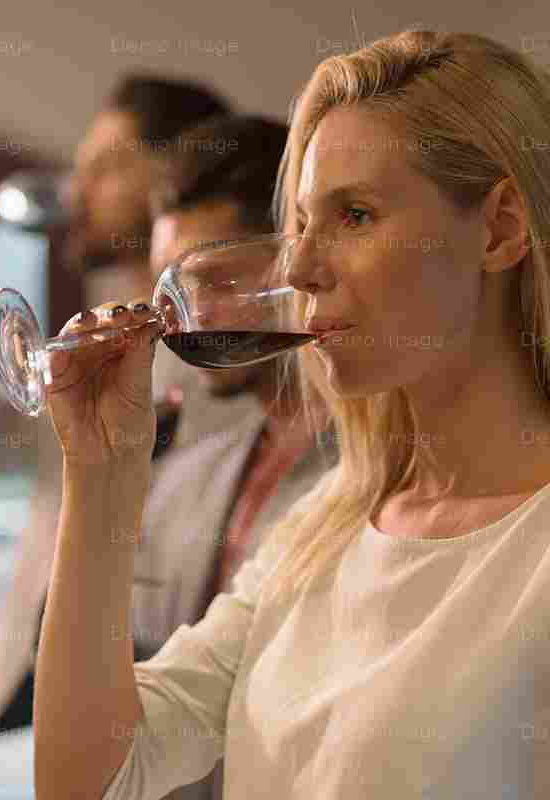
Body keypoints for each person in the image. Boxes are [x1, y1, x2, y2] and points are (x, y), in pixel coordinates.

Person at [34, 28, 550, 800]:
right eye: (302, 223)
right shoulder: (322, 527)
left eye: (356, 215)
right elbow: (90, 779)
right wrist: (100, 477)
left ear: (500, 228)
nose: (298, 266)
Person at [0, 74, 230, 739]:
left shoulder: (230, 350)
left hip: (177, 700)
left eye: (105, 167)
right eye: (80, 170)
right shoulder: (95, 333)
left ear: (176, 174)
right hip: (55, 685)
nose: (78, 192)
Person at [33, 112, 339, 800]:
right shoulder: (192, 473)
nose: (186, 315)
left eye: (216, 280)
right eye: (171, 283)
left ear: (294, 262)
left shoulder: (370, 486)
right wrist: (97, 472)